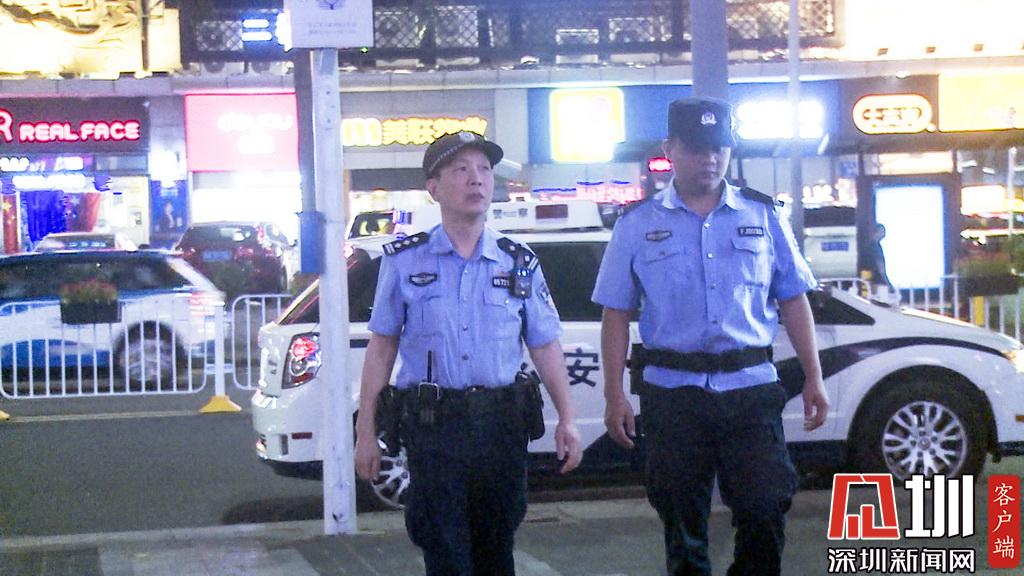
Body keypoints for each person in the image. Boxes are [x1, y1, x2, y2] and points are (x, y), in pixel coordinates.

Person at [591, 97, 829, 576]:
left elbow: (793, 299)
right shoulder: (637, 224)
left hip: (750, 389)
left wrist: (814, 377)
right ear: (670, 150)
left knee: (766, 507)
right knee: (682, 523)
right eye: (697, 148)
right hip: (673, 395)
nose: (710, 159)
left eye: (719, 148)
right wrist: (615, 394)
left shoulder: (763, 214)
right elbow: (615, 313)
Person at [354, 131, 583, 576]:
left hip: (501, 426)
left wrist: (568, 419)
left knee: (497, 547)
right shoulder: (405, 262)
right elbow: (382, 348)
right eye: (460, 169)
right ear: (434, 188)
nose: (476, 179)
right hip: (434, 428)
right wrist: (367, 432)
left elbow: (544, 345)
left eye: (484, 169)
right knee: (444, 549)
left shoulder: (518, 261)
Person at [864, 222, 892, 290]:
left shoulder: (868, 246)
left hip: (869, 281)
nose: (884, 234)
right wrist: (888, 283)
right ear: (877, 232)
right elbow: (881, 268)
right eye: (882, 231)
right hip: (877, 282)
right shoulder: (875, 247)